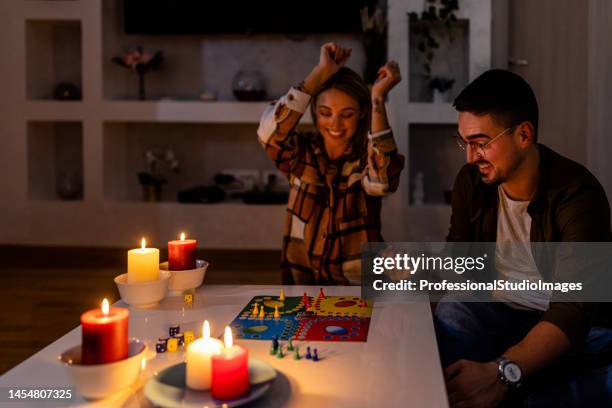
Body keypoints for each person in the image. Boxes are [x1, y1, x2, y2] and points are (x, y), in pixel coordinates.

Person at [435, 69, 612, 406]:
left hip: (570, 327)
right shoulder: (472, 180)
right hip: (499, 313)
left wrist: (502, 372)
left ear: (524, 134)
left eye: (480, 143)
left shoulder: (578, 194)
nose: (470, 157)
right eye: (464, 142)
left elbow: (574, 309)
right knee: (453, 308)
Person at [257, 43, 404, 285]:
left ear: (362, 114)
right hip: (302, 289)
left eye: (346, 114)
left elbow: (382, 182)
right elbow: (268, 133)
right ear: (314, 110)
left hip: (358, 292)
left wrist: (377, 98)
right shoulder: (300, 155)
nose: (335, 125)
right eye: (326, 113)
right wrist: (320, 72)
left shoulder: (365, 160)